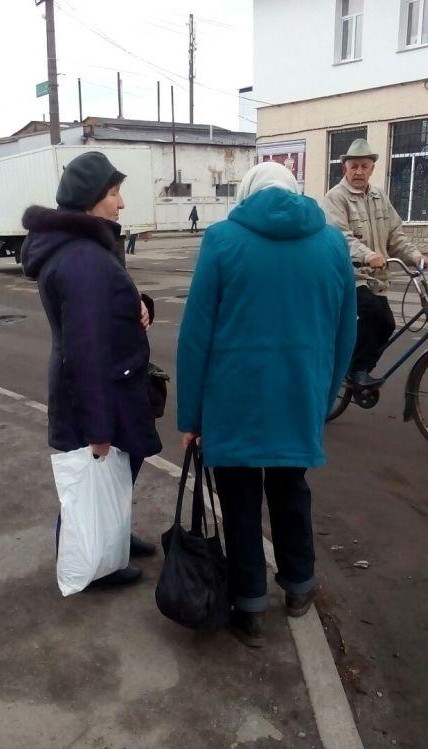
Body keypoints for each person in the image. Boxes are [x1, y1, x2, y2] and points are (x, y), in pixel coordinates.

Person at [176, 162, 357, 648]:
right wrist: (325, 393)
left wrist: (190, 416)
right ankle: (299, 588)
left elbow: (196, 336)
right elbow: (346, 332)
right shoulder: (332, 243)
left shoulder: (222, 239)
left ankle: (249, 604)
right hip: (299, 394)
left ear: (247, 193)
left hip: (233, 398)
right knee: (290, 491)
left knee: (238, 501)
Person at [21, 151, 162, 588]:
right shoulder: (83, 258)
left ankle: (113, 538)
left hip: (113, 384)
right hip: (98, 389)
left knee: (115, 474)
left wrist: (142, 307)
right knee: (90, 479)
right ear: (90, 199)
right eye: (115, 193)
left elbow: (112, 306)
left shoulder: (89, 248)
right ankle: (94, 564)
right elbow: (86, 348)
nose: (121, 204)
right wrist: (98, 427)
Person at [322, 138, 428, 388]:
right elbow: (341, 238)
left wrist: (415, 256)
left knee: (387, 323)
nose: (359, 171)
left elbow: (395, 235)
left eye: (364, 166)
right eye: (354, 166)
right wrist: (368, 255)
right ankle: (355, 371)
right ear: (344, 168)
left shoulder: (379, 196)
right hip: (350, 277)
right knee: (373, 313)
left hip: (375, 279)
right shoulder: (335, 198)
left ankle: (357, 367)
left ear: (372, 168)